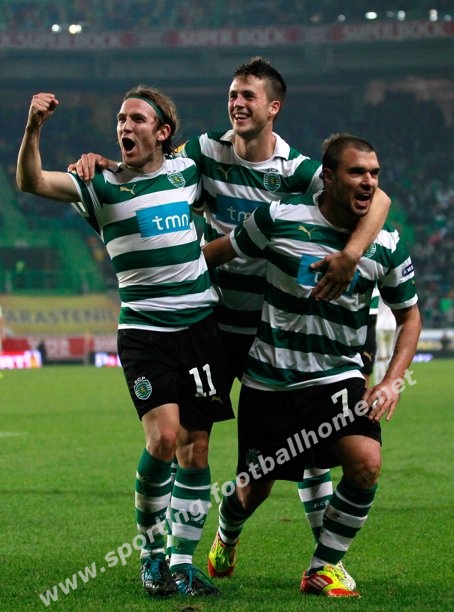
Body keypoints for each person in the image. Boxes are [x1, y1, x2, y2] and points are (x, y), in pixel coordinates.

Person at [68, 57, 391, 587]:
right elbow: (152, 168)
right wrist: (110, 164)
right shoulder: (202, 151)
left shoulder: (297, 168)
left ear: (273, 107)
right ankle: (176, 556)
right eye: (232, 94)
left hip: (272, 332)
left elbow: (378, 199)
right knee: (195, 447)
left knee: (311, 454)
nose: (237, 103)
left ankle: (327, 563)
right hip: (213, 323)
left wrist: (351, 255)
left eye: (248, 96)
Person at [16, 86, 235, 598]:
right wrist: (34, 127)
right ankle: (151, 555)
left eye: (137, 119)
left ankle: (182, 563)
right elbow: (30, 181)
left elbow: (241, 145)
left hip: (200, 327)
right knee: (163, 440)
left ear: (163, 132)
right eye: (120, 119)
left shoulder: (186, 171)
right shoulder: (98, 183)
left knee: (196, 449)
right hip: (145, 334)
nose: (124, 126)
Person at [202, 134, 421, 598]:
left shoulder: (386, 244)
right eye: (356, 172)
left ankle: (322, 567)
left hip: (336, 377)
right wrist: (160, 278)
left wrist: (391, 381)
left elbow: (409, 316)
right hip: (271, 379)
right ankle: (227, 529)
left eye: (374, 174)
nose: (368, 182)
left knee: (365, 465)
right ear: (328, 177)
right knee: (253, 490)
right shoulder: (279, 218)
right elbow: (219, 254)